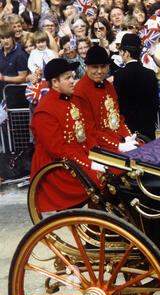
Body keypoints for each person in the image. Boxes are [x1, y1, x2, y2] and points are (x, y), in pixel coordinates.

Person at [29, 58, 105, 212]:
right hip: (57, 169)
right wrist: (89, 164)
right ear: (55, 83)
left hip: (76, 158)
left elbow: (85, 133)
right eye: (68, 78)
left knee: (116, 171)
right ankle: (99, 228)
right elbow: (57, 150)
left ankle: (100, 227)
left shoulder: (74, 100)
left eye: (73, 77)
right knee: (103, 179)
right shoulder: (45, 110)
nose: (73, 81)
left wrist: (99, 155)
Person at [74, 45, 138, 153]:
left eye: (103, 66)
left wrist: (127, 136)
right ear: (86, 67)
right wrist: (118, 146)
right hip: (99, 146)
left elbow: (117, 118)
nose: (99, 71)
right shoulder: (80, 91)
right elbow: (89, 131)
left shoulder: (108, 86)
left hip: (118, 139)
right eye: (95, 67)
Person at [114, 33, 159, 140]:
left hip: (127, 129)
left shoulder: (119, 75)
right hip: (147, 128)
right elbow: (155, 103)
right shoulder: (150, 74)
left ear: (127, 53)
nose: (120, 54)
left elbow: (118, 103)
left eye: (121, 52)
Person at [0, 23, 28, 107]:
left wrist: (4, 78)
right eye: (2, 38)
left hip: (17, 97)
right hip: (2, 96)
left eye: (8, 37)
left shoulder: (20, 54)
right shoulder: (0, 53)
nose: (5, 41)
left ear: (12, 38)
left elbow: (23, 77)